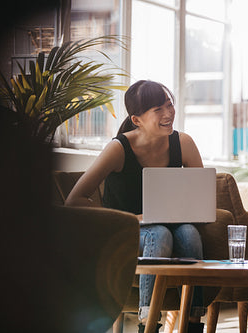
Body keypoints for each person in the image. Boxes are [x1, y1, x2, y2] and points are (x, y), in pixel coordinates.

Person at [65, 80, 207, 333]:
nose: (168, 113)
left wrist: (189, 211)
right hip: (128, 231)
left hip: (171, 225)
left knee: (189, 233)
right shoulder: (118, 148)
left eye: (169, 105)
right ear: (137, 119)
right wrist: (133, 217)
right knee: (158, 233)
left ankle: (193, 321)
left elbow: (201, 196)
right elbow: (74, 200)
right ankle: (148, 322)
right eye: (158, 109)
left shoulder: (183, 143)